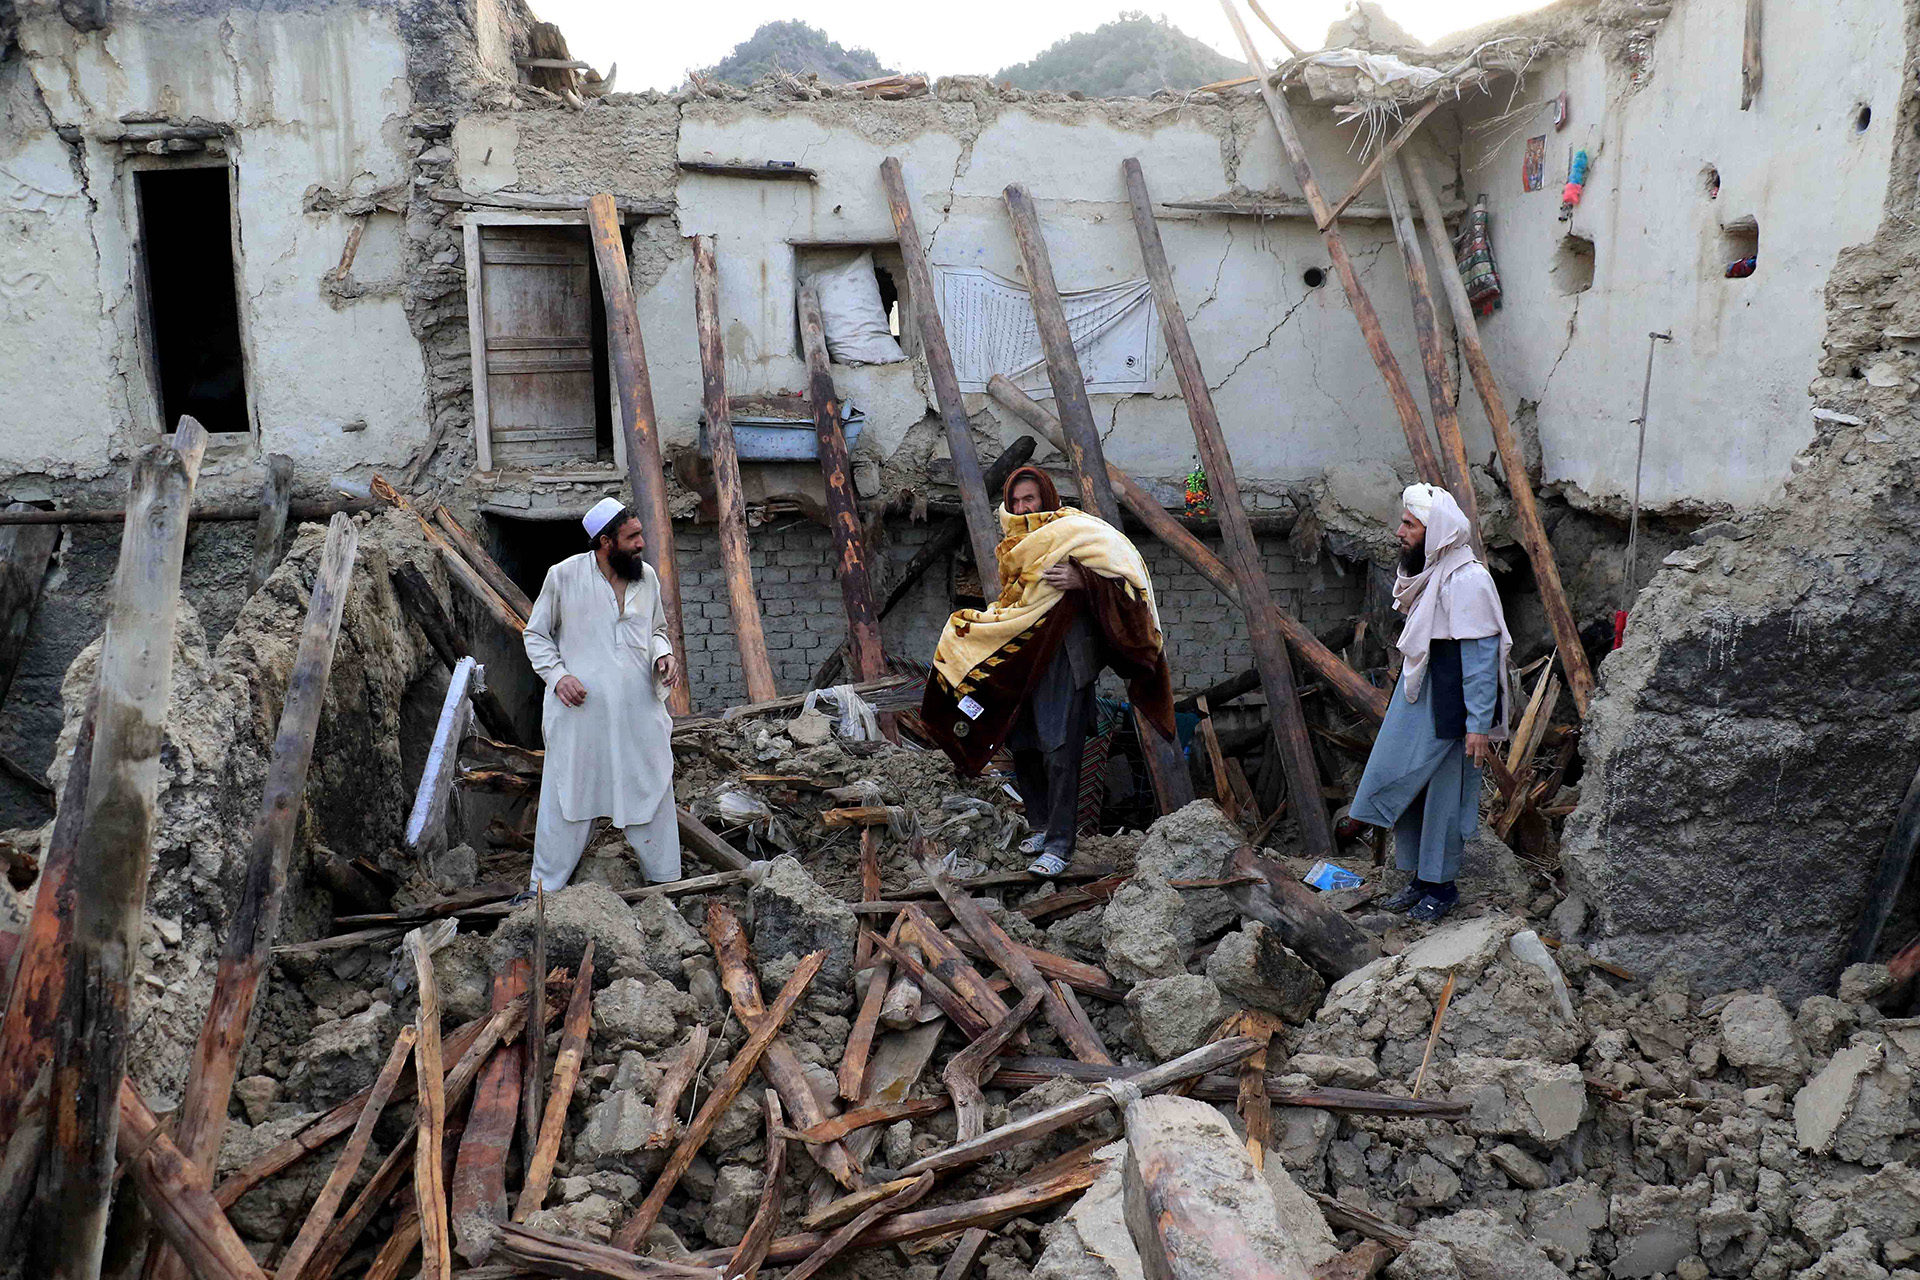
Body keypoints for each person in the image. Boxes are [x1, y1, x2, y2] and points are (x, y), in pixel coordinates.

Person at [922, 466, 1176, 878]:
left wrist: (1082, 579)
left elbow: (1126, 585)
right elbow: (1016, 601)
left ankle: (1061, 843)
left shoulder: (1076, 532)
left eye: (1030, 499)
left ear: (1046, 498)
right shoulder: (1014, 545)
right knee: (1022, 744)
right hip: (1024, 658)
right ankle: (1041, 826)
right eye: (1016, 501)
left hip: (1066, 659)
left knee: (1061, 750)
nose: (1023, 507)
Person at [1350, 484, 1513, 923]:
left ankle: (1442, 889)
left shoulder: (1468, 580)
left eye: (1409, 525)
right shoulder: (1433, 574)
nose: (1400, 532)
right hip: (1419, 702)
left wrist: (1478, 723)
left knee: (1443, 797)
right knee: (1409, 789)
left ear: (1433, 530)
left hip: (1449, 710)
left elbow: (1479, 661)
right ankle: (1420, 880)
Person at [520, 497, 682, 896]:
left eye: (641, 533)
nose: (642, 543)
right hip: (582, 716)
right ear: (605, 542)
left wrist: (663, 654)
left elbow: (657, 630)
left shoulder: (646, 578)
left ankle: (667, 883)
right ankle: (545, 888)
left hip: (638, 715)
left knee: (651, 787)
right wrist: (558, 677)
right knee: (568, 796)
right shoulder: (563, 577)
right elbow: (536, 635)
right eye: (633, 536)